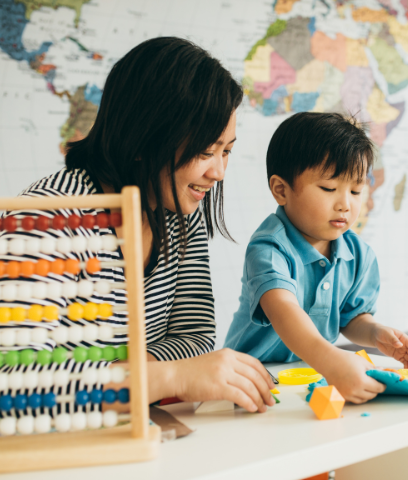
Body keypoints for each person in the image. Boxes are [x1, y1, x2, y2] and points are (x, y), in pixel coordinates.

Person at [0, 37, 274, 414]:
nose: (218, 172)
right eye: (204, 151)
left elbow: (194, 338)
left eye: (226, 151)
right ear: (145, 137)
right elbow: (14, 385)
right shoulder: (43, 223)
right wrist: (165, 377)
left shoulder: (181, 214)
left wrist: (125, 378)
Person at [224, 112, 408, 404]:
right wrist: (333, 361)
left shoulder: (358, 254)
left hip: (311, 376)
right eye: (329, 188)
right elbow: (284, 312)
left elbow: (350, 318)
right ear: (281, 190)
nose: (345, 204)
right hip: (251, 380)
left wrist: (375, 333)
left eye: (356, 190)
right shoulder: (268, 248)